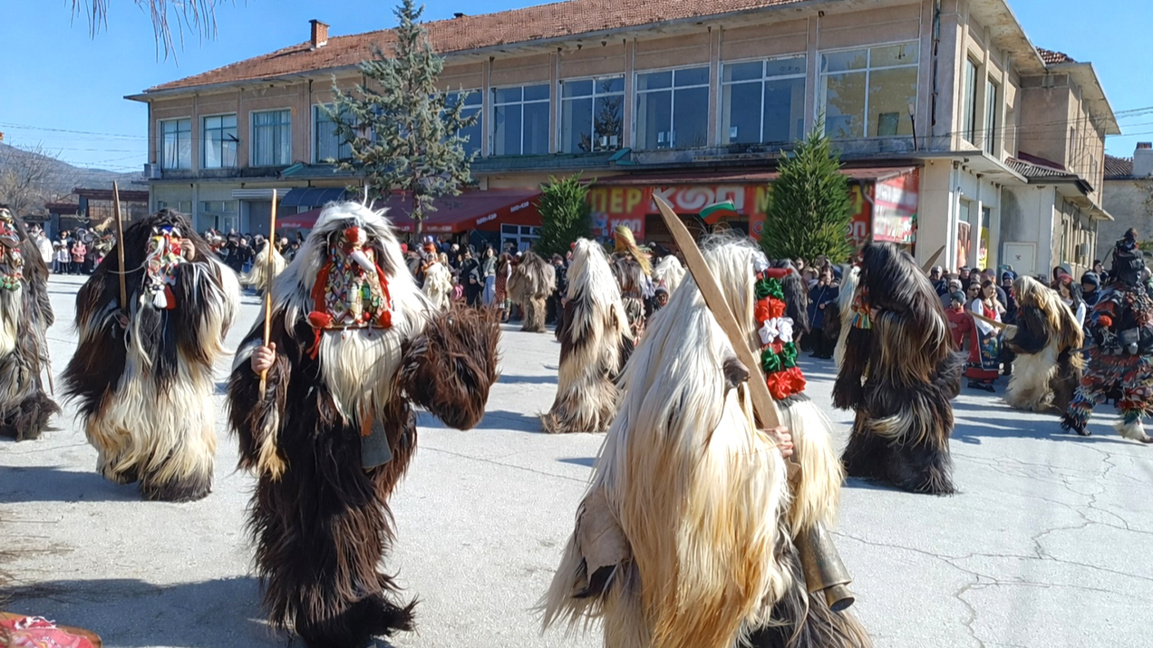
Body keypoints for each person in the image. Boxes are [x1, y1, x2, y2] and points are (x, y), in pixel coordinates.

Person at [543, 238, 870, 648]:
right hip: (692, 580)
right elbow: (689, 466)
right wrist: (764, 452)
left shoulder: (735, 344)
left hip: (760, 570)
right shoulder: (687, 361)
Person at [228, 202, 501, 647]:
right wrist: (264, 368)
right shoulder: (292, 308)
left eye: (365, 251)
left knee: (358, 522)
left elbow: (435, 382)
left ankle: (354, 591)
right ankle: (327, 617)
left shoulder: (402, 313)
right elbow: (257, 371)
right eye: (340, 250)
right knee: (319, 526)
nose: (353, 263)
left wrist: (460, 370)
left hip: (370, 437)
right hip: (312, 443)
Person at [61, 209, 240, 501]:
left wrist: (195, 263)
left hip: (181, 365)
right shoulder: (131, 273)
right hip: (137, 364)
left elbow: (222, 299)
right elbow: (93, 298)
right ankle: (134, 464)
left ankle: (180, 475)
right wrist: (117, 320)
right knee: (134, 417)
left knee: (181, 421)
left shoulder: (194, 267)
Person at [834, 243, 965, 494]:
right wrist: (850, 378)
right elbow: (860, 333)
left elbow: (929, 330)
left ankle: (924, 475)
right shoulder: (878, 286)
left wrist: (881, 320)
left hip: (921, 382)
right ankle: (865, 462)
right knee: (872, 416)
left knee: (913, 436)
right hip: (886, 375)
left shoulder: (913, 287)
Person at [1063, 229, 1153, 444]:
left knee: (1138, 389)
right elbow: (1100, 317)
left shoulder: (1139, 291)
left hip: (1138, 353)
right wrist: (1105, 333)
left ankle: (1134, 427)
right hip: (1113, 353)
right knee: (1093, 387)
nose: (1138, 273)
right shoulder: (1114, 292)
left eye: (1139, 270)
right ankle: (1076, 418)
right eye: (1134, 269)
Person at [542, 239, 632, 434]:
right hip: (606, 360)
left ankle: (578, 415)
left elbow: (562, 334)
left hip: (579, 365)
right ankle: (600, 415)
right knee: (602, 381)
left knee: (581, 386)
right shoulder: (612, 302)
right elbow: (626, 341)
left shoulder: (578, 303)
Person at [0, 207, 59, 441]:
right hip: (17, 314)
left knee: (21, 366)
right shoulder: (27, 247)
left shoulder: (25, 249)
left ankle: (16, 412)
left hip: (22, 315)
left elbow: (38, 282)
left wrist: (43, 313)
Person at [1003, 276, 1084, 413]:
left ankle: (1034, 400)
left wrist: (1015, 336)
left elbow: (1039, 335)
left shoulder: (1033, 304)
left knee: (1039, 372)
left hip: (1057, 341)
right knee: (1057, 373)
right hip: (1060, 339)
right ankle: (1055, 402)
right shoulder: (1044, 298)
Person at [965, 280, 1004, 392]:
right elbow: (978, 319)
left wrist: (997, 328)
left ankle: (988, 380)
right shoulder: (978, 302)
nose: (992, 291)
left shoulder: (993, 303)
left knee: (991, 355)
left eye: (994, 289)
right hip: (980, 333)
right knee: (979, 354)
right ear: (983, 288)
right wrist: (990, 329)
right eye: (989, 289)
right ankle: (974, 380)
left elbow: (997, 318)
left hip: (992, 334)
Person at [807, 266, 839, 359]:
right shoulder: (817, 286)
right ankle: (817, 350)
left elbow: (835, 297)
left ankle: (826, 352)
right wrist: (820, 285)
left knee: (826, 333)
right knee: (816, 331)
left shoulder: (834, 286)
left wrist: (826, 303)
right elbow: (813, 295)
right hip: (817, 312)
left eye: (827, 273)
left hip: (828, 313)